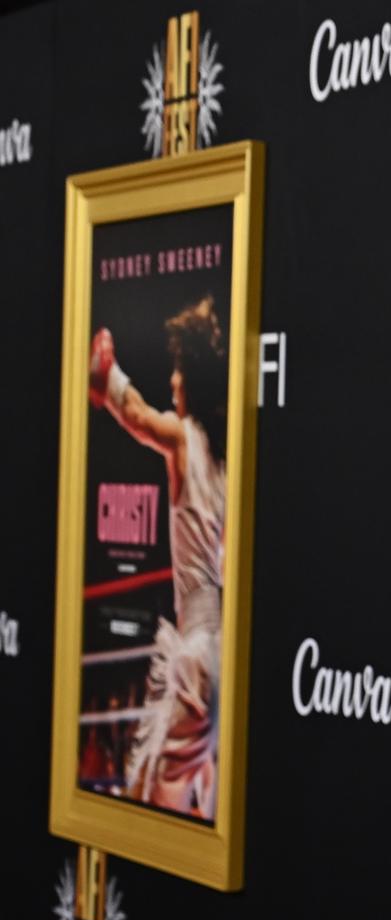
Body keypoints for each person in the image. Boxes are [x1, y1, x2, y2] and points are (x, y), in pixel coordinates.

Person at [88, 296, 228, 819]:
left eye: (177, 370)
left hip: (195, 650)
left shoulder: (185, 439)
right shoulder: (227, 461)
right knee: (201, 809)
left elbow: (135, 413)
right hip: (223, 655)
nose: (172, 381)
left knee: (148, 800)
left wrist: (109, 370)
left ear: (193, 378)